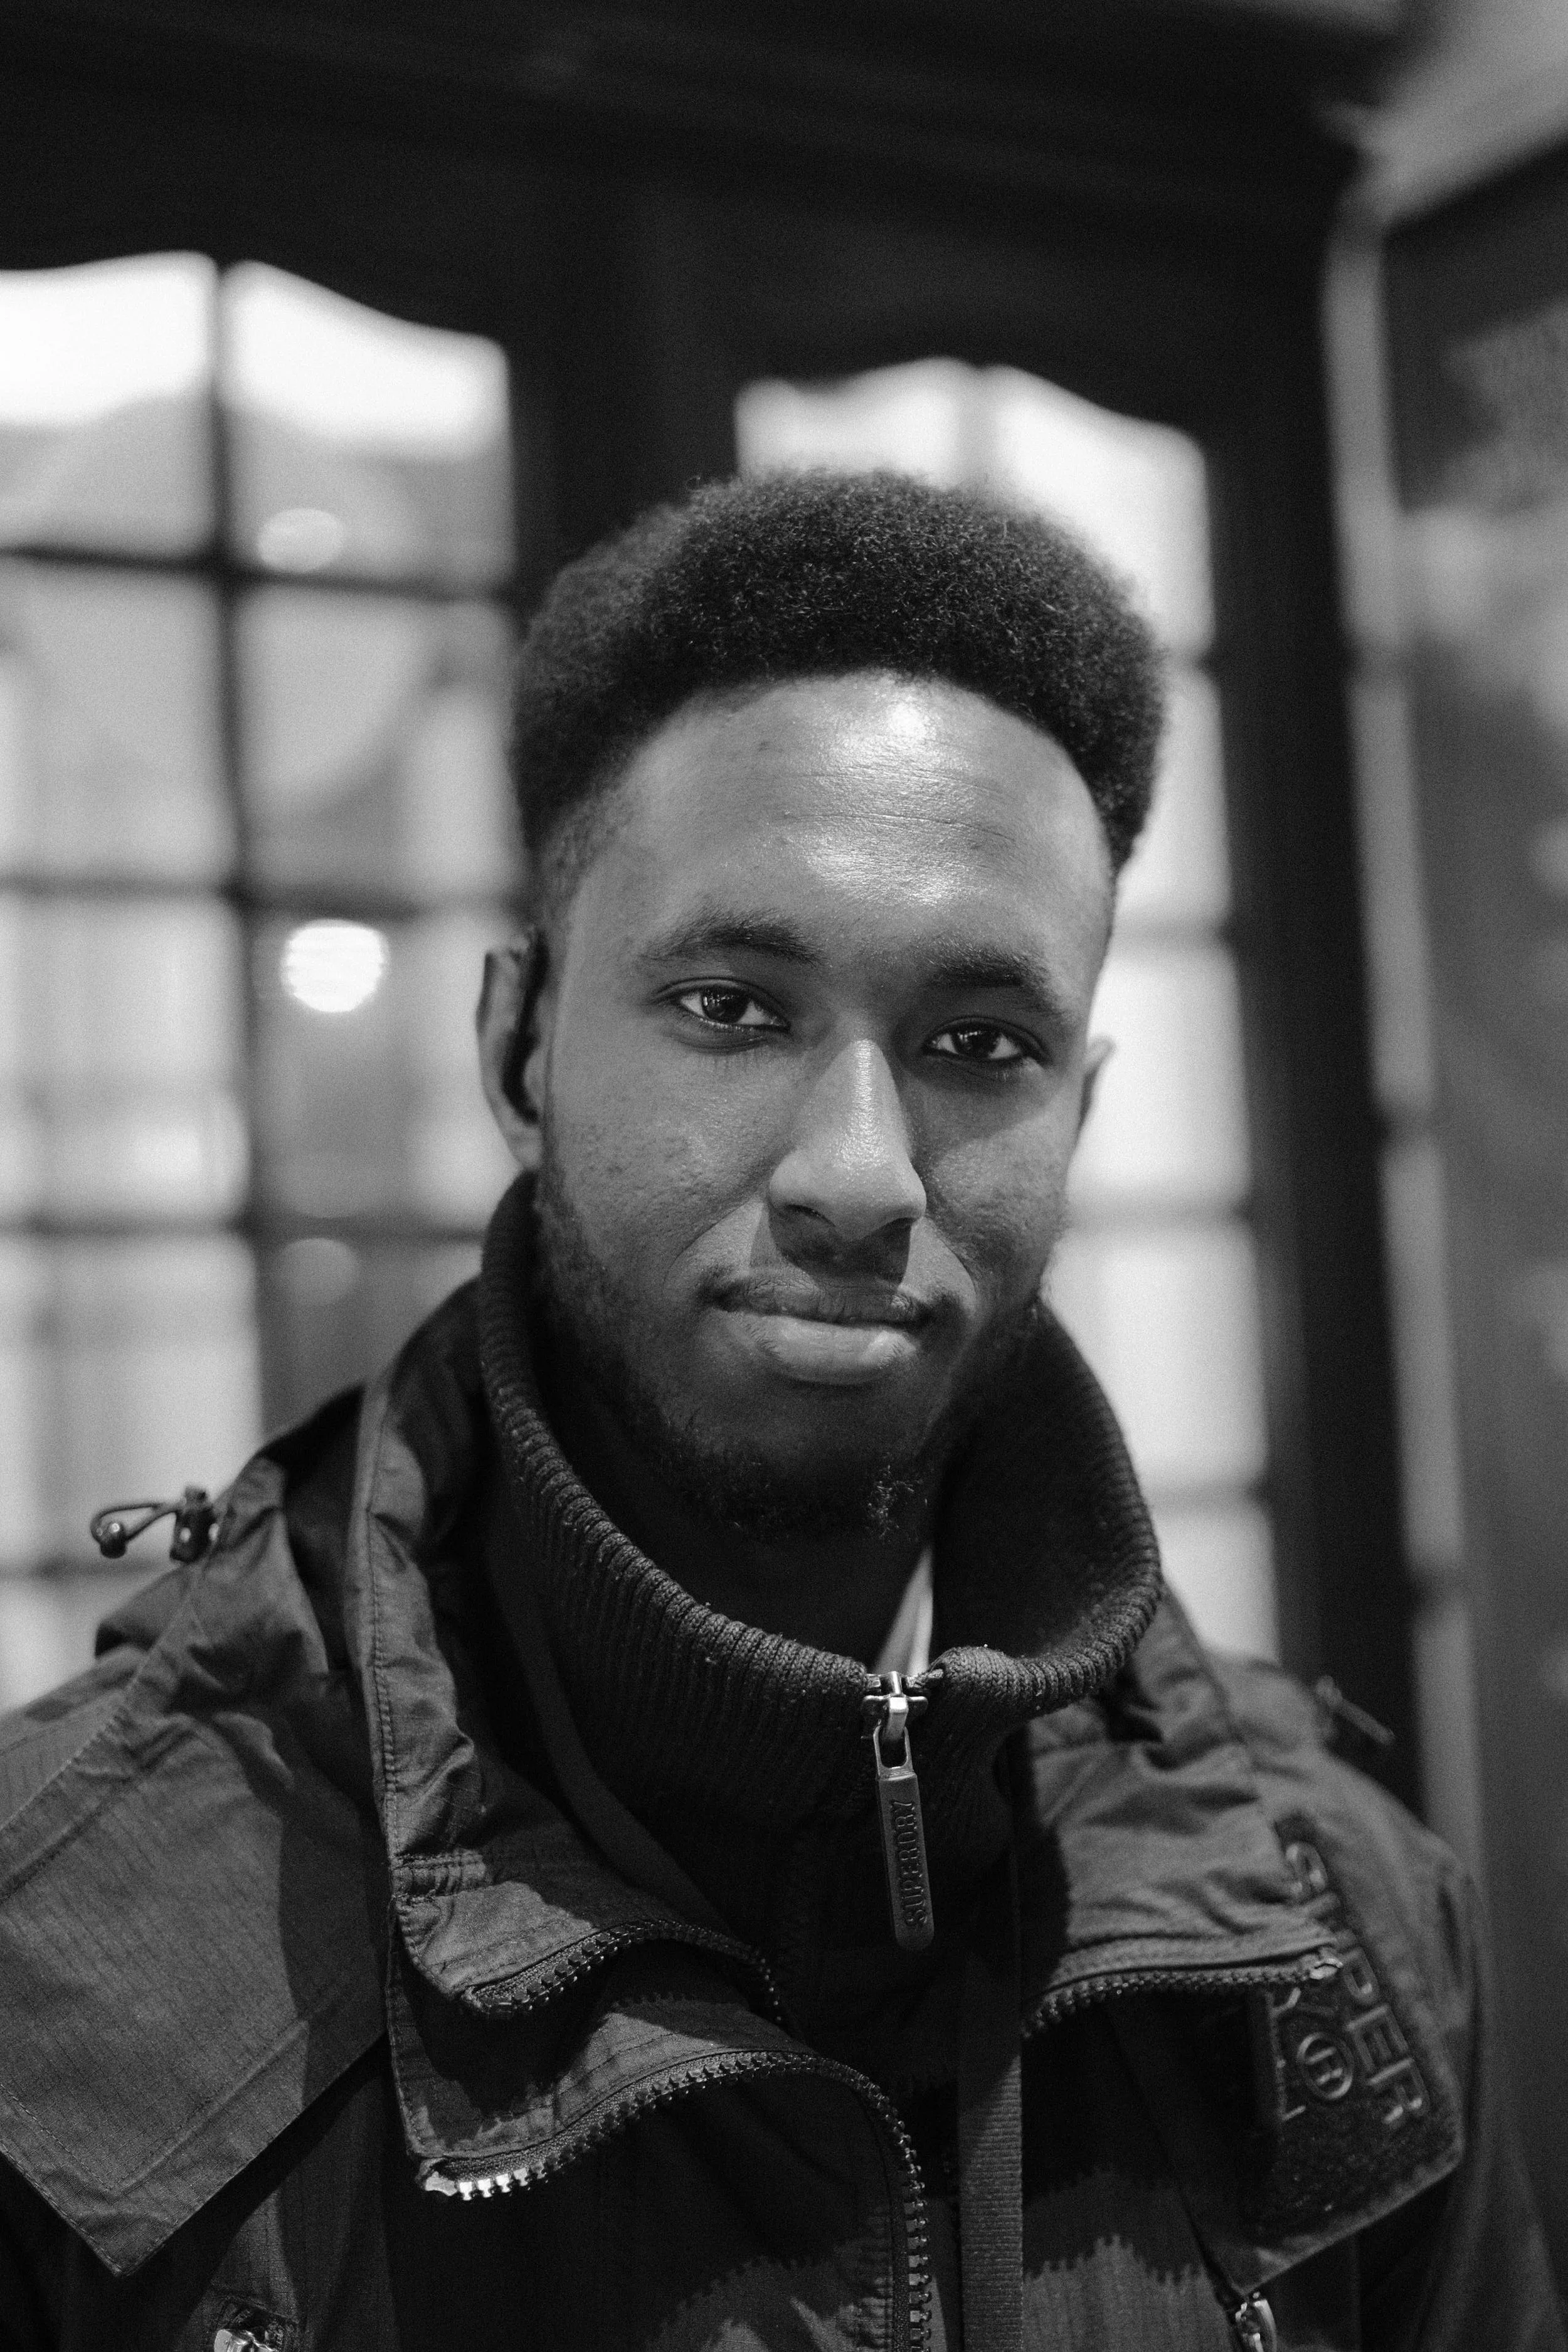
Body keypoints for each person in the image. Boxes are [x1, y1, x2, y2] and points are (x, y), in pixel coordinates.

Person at [0, 472, 1559, 2352]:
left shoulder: (1339, 1925)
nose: (856, 1171)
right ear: (517, 1045)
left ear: (1080, 1097)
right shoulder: (63, 1970)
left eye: (979, 1043)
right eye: (733, 1005)